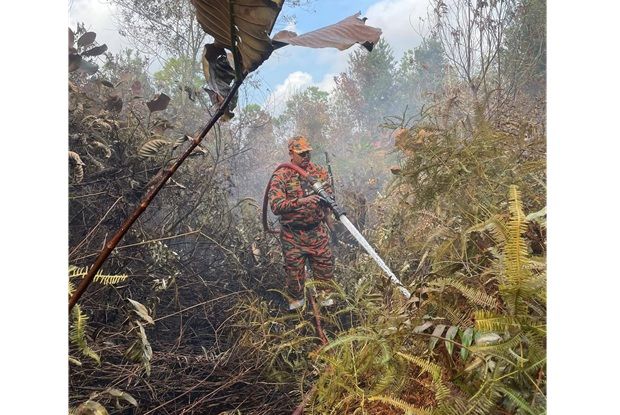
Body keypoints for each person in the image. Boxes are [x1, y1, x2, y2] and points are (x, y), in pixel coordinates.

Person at [268, 135, 336, 310]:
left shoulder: (319, 172)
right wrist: (301, 202)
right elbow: (276, 206)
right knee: (295, 282)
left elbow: (329, 200)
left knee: (326, 279)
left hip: (317, 233)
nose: (306, 157)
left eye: (308, 153)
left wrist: (331, 223)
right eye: (302, 154)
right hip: (293, 237)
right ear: (291, 153)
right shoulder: (281, 175)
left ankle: (329, 315)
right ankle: (298, 315)